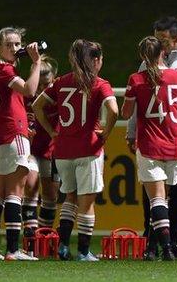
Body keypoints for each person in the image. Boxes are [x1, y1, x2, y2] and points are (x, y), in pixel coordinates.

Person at [33, 39, 118, 261]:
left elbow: (36, 106)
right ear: (96, 60)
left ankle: (62, 247)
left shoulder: (62, 82)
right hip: (88, 149)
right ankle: (83, 251)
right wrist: (107, 132)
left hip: (62, 151)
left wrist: (53, 132)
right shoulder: (99, 84)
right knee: (86, 203)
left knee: (69, 198)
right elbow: (114, 110)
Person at [127, 16, 177, 259]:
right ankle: (154, 243)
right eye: (156, 38)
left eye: (162, 39)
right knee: (156, 196)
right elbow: (139, 108)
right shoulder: (150, 68)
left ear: (176, 40)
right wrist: (132, 131)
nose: (158, 44)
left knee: (171, 195)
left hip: (169, 137)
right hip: (165, 138)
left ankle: (170, 242)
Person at [0, 27, 42, 261]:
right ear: (0, 47)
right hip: (12, 135)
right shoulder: (4, 70)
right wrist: (36, 63)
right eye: (10, 45)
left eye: (18, 44)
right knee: (15, 193)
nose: (16, 49)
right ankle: (13, 250)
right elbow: (30, 90)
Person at [20, 56, 60, 252]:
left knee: (51, 194)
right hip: (31, 150)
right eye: (40, 84)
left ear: (54, 79)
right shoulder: (25, 96)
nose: (43, 88)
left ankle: (44, 238)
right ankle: (30, 239)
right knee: (30, 185)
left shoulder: (59, 96)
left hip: (52, 150)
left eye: (48, 83)